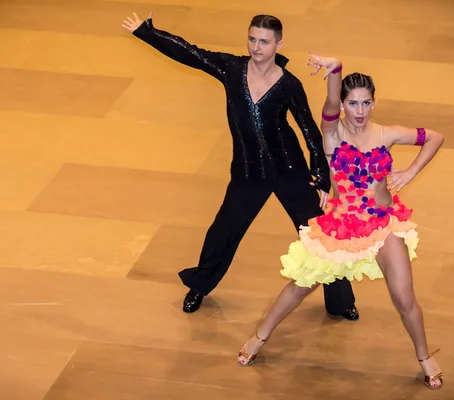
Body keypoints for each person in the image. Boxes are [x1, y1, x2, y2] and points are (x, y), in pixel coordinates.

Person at [121, 13, 359, 320]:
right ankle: (200, 284)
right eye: (252, 39)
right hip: (248, 172)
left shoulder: (289, 85)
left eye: (264, 41)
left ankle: (340, 302)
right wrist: (147, 32)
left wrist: (321, 179)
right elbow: (189, 52)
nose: (256, 47)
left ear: (278, 44)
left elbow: (309, 130)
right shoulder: (231, 69)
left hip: (290, 171)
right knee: (223, 230)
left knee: (320, 235)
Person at [236, 54, 444, 390]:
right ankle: (259, 337)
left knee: (404, 299)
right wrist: (336, 69)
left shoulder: (387, 133)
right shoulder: (332, 135)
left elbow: (434, 137)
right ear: (344, 105)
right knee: (299, 288)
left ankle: (424, 357)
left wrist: (410, 172)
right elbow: (330, 102)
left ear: (374, 102)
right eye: (352, 103)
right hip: (342, 228)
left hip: (382, 226)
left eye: (365, 103)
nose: (359, 111)